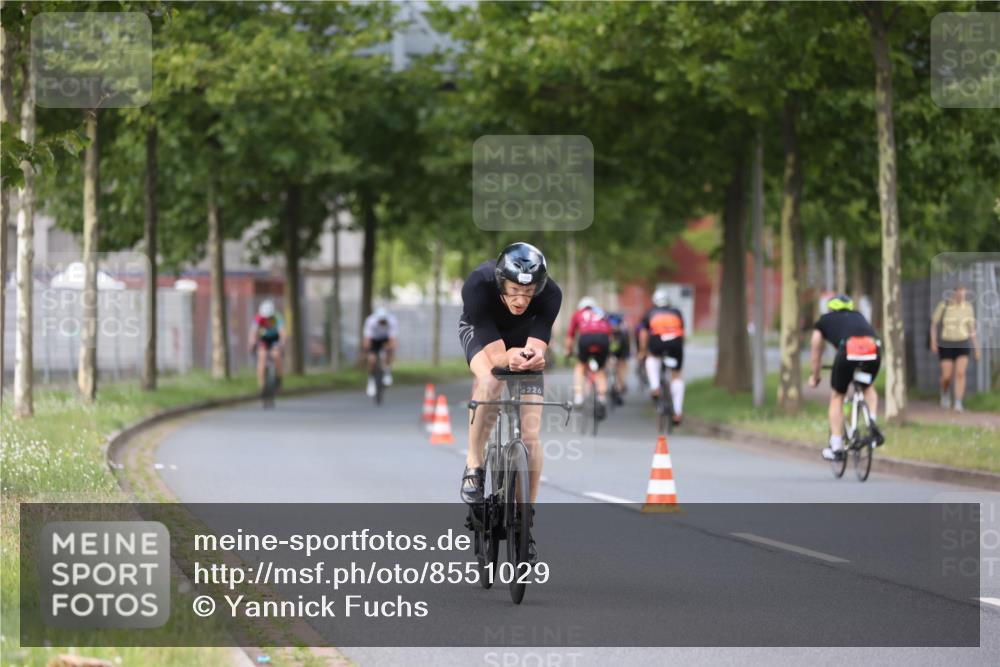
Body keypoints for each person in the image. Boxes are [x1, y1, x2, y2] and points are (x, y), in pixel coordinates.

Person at [458, 242, 562, 560]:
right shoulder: (478, 284)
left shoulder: (551, 294)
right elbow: (495, 358)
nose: (520, 299)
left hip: (522, 340)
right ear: (503, 282)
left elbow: (538, 344)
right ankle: (474, 464)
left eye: (528, 293)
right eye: (514, 290)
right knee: (491, 381)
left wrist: (534, 358)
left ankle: (525, 521)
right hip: (482, 335)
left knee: (530, 437)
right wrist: (509, 359)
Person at [808, 294, 885, 461]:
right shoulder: (859, 316)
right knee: (868, 388)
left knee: (838, 395)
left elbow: (815, 350)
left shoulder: (825, 320)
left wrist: (815, 376)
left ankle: (836, 447)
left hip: (848, 352)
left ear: (830, 308)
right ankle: (872, 421)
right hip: (873, 351)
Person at [637, 286, 686, 426]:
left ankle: (655, 387)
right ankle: (677, 412)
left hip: (657, 342)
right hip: (675, 344)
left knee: (651, 358)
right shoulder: (677, 312)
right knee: (676, 375)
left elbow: (644, 333)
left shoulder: (650, 312)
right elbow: (682, 332)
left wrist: (642, 351)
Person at [930, 283, 980, 412]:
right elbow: (934, 324)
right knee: (947, 375)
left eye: (964, 292)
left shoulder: (968, 308)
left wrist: (976, 347)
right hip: (947, 343)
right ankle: (945, 391)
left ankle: (958, 402)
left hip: (963, 342)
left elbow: (972, 328)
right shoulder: (944, 305)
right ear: (954, 293)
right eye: (959, 292)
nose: (961, 295)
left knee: (960, 373)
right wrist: (933, 341)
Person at [564, 296, 612, 418]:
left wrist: (569, 351)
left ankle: (579, 396)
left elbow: (570, 337)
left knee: (580, 365)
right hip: (603, 339)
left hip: (586, 339)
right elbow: (609, 334)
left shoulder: (578, 314)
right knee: (600, 369)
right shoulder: (601, 313)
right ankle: (601, 398)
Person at [363, 307, 398, 397]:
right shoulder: (370, 321)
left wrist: (390, 348)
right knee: (372, 360)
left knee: (389, 350)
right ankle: (371, 381)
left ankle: (387, 371)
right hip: (374, 340)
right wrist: (368, 352)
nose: (382, 323)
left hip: (385, 338)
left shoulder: (392, 321)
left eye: (384, 321)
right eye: (380, 321)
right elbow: (367, 340)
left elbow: (393, 339)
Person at [249, 300, 284, 391]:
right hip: (264, 338)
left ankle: (278, 381)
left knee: (276, 355)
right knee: (262, 357)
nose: (267, 319)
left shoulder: (277, 317)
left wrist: (281, 343)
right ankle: (262, 384)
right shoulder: (258, 318)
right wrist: (252, 343)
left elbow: (282, 332)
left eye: (269, 317)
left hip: (275, 338)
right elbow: (253, 332)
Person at [607, 312, 630, 403]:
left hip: (610, 341)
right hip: (621, 342)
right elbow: (627, 339)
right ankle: (621, 385)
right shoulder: (623, 324)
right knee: (622, 365)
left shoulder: (606, 320)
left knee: (608, 362)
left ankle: (610, 382)